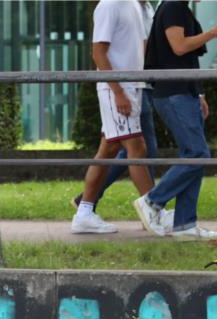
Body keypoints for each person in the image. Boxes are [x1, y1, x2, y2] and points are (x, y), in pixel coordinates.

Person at [133, 0, 217, 239]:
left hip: (182, 93)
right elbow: (179, 47)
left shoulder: (178, 8)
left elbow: (184, 59)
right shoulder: (174, 7)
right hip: (173, 94)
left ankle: (185, 225)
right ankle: (152, 201)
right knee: (199, 155)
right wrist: (213, 33)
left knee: (194, 156)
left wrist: (198, 92)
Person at [72, 1, 164, 224]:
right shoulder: (109, 6)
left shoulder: (133, 5)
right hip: (116, 89)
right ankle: (154, 212)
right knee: (137, 147)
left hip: (132, 87)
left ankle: (84, 212)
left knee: (109, 149)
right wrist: (118, 91)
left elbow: (141, 46)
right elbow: (98, 53)